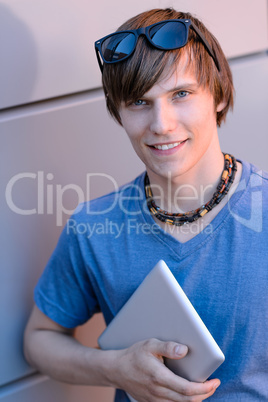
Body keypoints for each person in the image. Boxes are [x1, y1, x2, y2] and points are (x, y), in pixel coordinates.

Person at [23, 7, 268, 401]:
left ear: (218, 96)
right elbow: (40, 339)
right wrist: (113, 368)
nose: (162, 123)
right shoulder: (93, 227)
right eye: (139, 101)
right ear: (118, 113)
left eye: (181, 94)